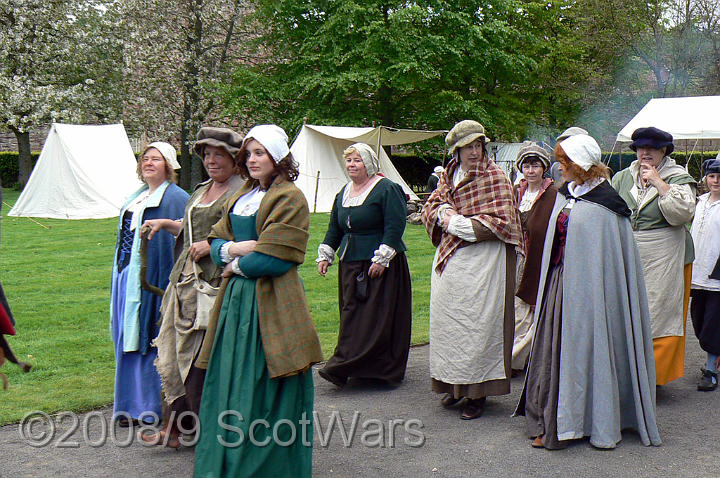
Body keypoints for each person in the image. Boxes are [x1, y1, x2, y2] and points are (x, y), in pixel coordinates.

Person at [193, 125, 322, 477]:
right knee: (230, 382)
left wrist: (232, 262)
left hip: (272, 302)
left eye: (259, 153)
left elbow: (276, 257)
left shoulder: (289, 197)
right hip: (235, 304)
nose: (251, 160)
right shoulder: (242, 195)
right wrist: (236, 249)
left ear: (278, 157)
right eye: (248, 154)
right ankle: (225, 463)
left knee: (264, 387)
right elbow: (215, 240)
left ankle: (266, 466)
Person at [516, 133, 660, 450]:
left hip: (593, 293)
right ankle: (554, 417)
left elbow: (604, 256)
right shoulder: (571, 194)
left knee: (590, 349)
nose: (558, 167)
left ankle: (585, 420)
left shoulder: (606, 207)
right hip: (561, 284)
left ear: (579, 165)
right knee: (556, 350)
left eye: (564, 161)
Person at [138, 128, 244, 448]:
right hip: (183, 282)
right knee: (171, 353)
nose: (211, 161)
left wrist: (211, 246)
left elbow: (243, 235)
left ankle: (206, 433)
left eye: (219, 155)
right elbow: (190, 226)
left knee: (198, 360)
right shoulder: (202, 189)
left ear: (234, 159)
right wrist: (165, 224)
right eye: (207, 155)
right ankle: (174, 428)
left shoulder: (241, 192)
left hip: (213, 286)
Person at [420, 120, 523, 420]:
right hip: (451, 262)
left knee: (479, 327)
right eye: (468, 147)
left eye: (478, 146)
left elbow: (504, 221)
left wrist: (456, 223)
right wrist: (442, 211)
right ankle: (454, 387)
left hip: (484, 261)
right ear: (456, 151)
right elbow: (433, 204)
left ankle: (478, 394)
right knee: (450, 327)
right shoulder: (449, 175)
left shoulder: (496, 177)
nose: (475, 152)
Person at [316, 143, 412, 388]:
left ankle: (376, 370)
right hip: (350, 262)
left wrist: (383, 257)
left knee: (378, 317)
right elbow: (335, 228)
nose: (351, 165)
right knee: (352, 314)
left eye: (357, 160)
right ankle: (349, 365)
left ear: (368, 164)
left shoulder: (386, 189)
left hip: (380, 265)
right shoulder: (344, 192)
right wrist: (326, 254)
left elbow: (395, 224)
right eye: (348, 161)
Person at [110, 142, 189, 426]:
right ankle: (129, 405)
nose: (149, 163)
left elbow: (184, 239)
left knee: (148, 335)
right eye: (145, 159)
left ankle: (149, 406)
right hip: (126, 277)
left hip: (153, 278)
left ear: (168, 165)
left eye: (156, 159)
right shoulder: (137, 197)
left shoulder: (176, 198)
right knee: (126, 335)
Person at [611, 126, 696, 385]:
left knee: (658, 313)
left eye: (651, 149)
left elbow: (682, 214)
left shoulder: (677, 176)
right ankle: (627, 377)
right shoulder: (623, 177)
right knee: (626, 309)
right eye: (640, 148)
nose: (645, 153)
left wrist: (659, 183)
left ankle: (652, 379)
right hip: (629, 250)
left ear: (663, 152)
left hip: (665, 254)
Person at [511, 142, 557, 371]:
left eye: (535, 166)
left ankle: (522, 359)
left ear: (543, 168)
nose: (531, 171)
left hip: (540, 256)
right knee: (516, 306)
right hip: (517, 256)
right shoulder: (515, 192)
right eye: (527, 166)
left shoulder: (553, 194)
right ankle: (515, 356)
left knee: (533, 306)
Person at [690, 157, 720, 391]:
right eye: (712, 176)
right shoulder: (699, 202)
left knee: (712, 324)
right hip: (697, 272)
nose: (716, 181)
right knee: (699, 322)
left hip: (717, 275)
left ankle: (711, 369)